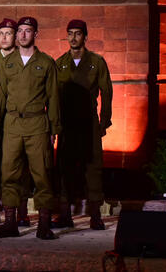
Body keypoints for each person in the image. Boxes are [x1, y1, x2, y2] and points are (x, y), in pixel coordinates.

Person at [0, 17, 61, 239]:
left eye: (27, 31)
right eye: (19, 31)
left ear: (35, 34)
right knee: (8, 173)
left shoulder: (46, 63)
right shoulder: (6, 63)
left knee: (42, 175)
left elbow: (53, 98)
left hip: (37, 124)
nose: (22, 35)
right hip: (12, 124)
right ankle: (10, 222)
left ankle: (43, 223)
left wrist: (54, 129)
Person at [53, 19, 113, 230]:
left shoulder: (96, 62)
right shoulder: (59, 63)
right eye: (70, 33)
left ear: (85, 37)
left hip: (88, 122)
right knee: (65, 169)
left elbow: (106, 91)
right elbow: (52, 96)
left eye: (77, 33)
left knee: (93, 168)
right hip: (67, 124)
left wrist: (104, 121)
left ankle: (95, 215)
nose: (73, 38)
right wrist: (54, 123)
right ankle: (64, 214)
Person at [0, 17, 32, 226]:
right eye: (1, 33)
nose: (5, 37)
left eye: (9, 33)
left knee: (21, 167)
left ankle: (21, 209)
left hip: (17, 122)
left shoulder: (24, 59)